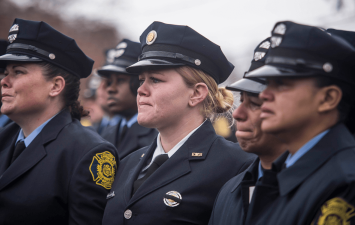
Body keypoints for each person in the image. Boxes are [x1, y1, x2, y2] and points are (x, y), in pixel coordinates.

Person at [102, 21, 255, 225]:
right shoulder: (128, 163)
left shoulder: (238, 165)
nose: (141, 90)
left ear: (196, 93)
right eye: (141, 80)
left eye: (155, 80)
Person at [0, 18, 119, 225]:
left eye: (18, 72)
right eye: (5, 73)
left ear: (55, 86)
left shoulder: (87, 153)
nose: (4, 81)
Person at [242, 21, 355, 225]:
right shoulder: (280, 171)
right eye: (268, 83)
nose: (265, 94)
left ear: (328, 98)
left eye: (282, 83)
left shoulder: (345, 181)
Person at [208, 38, 287, 225]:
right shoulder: (229, 190)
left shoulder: (333, 184)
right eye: (242, 100)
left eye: (256, 104)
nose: (237, 114)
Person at [98, 39, 158, 159]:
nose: (111, 89)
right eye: (110, 82)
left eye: (120, 80)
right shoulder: (106, 132)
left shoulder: (156, 136)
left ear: (139, 83)